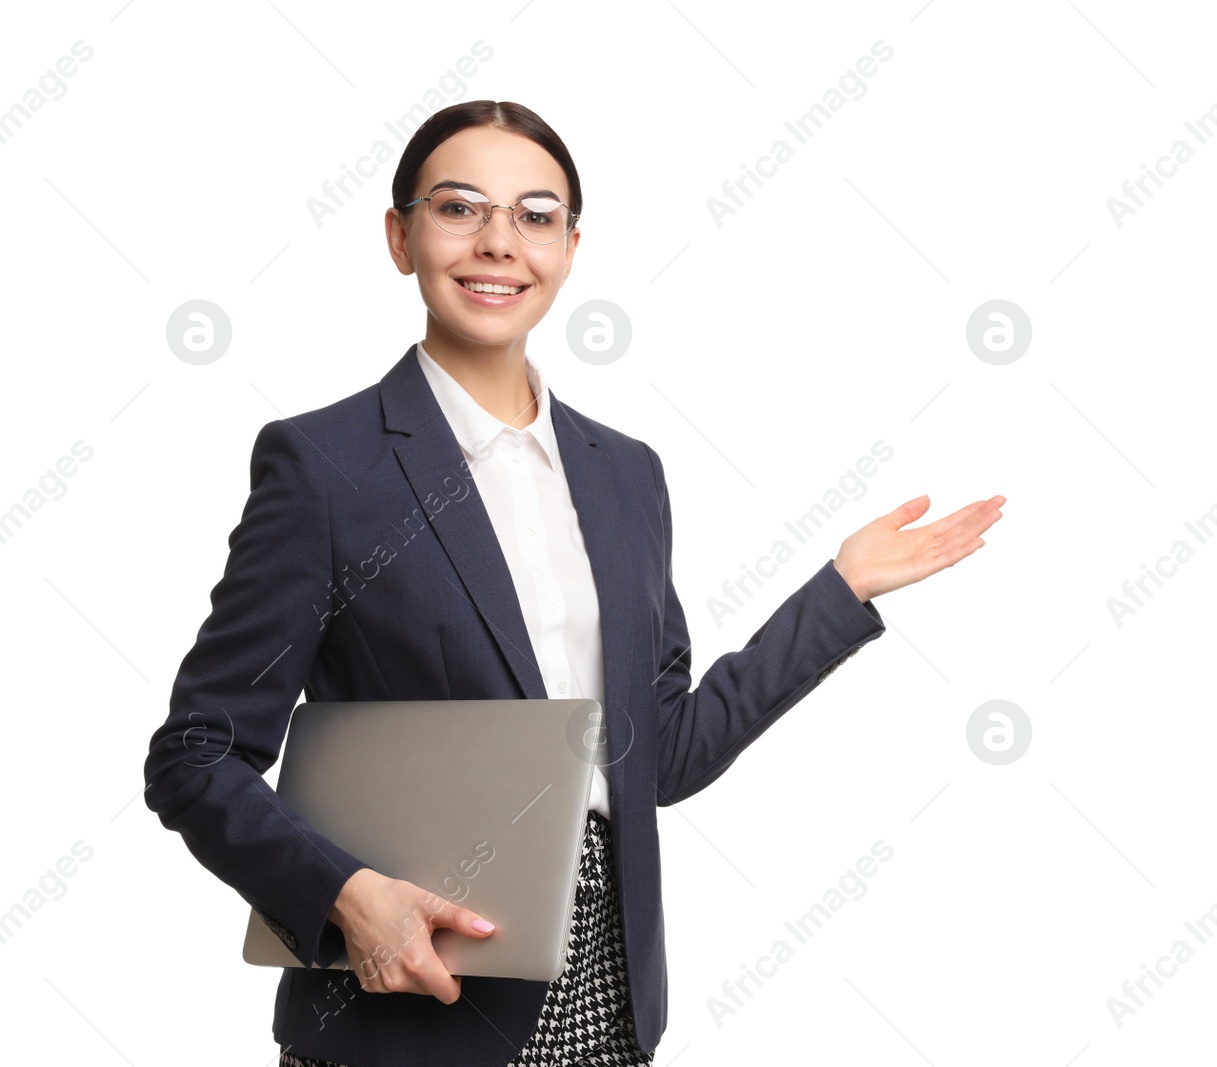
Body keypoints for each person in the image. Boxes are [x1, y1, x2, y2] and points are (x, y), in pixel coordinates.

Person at [142, 99, 1004, 1067]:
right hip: (403, 1010)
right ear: (400, 235)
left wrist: (839, 591)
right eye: (459, 208)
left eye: (534, 214)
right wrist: (343, 896)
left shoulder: (624, 472)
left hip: (609, 1004)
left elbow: (661, 750)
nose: (498, 243)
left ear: (571, 245)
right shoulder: (324, 465)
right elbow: (195, 754)